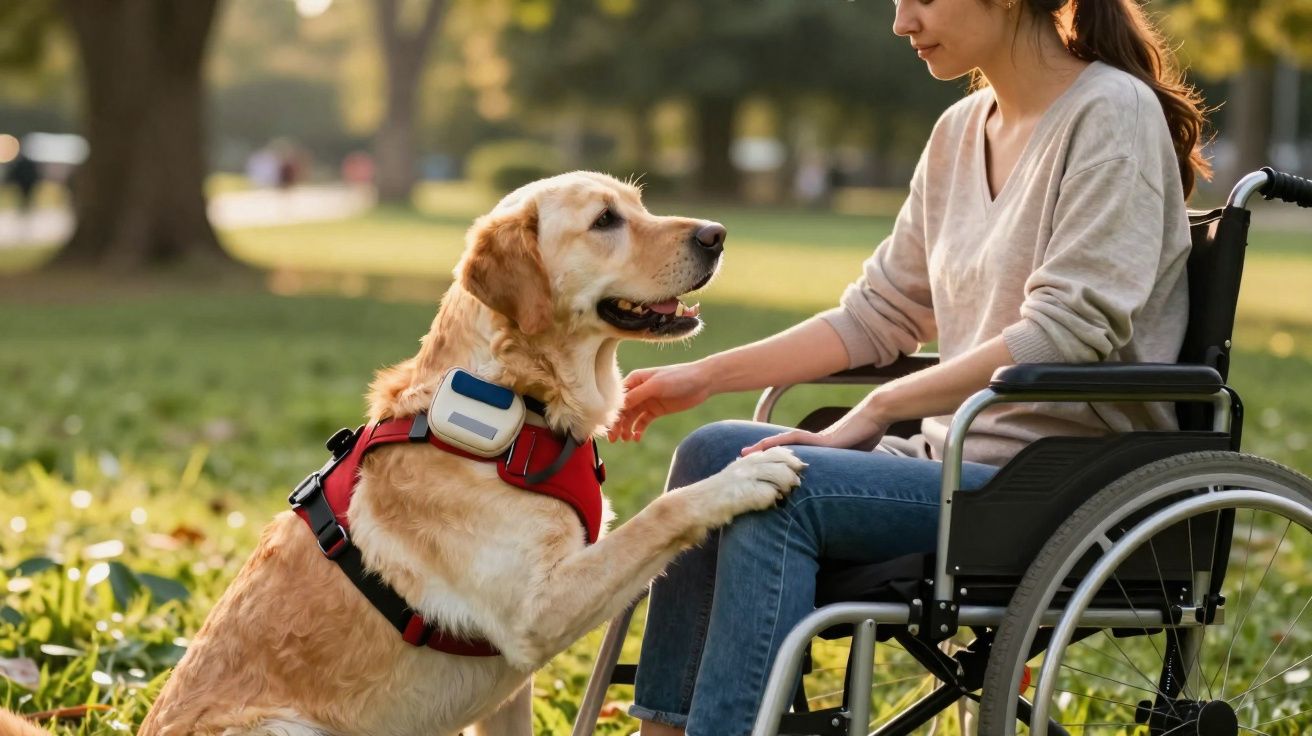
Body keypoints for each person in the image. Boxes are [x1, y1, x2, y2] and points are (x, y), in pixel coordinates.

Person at [609, 0, 1211, 734]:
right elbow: (879, 314)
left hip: (1065, 481)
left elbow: (1066, 331)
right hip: (955, 467)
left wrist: (878, 408)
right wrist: (704, 377)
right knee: (712, 455)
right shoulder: (959, 131)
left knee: (780, 492)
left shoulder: (1112, 113)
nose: (902, 22)